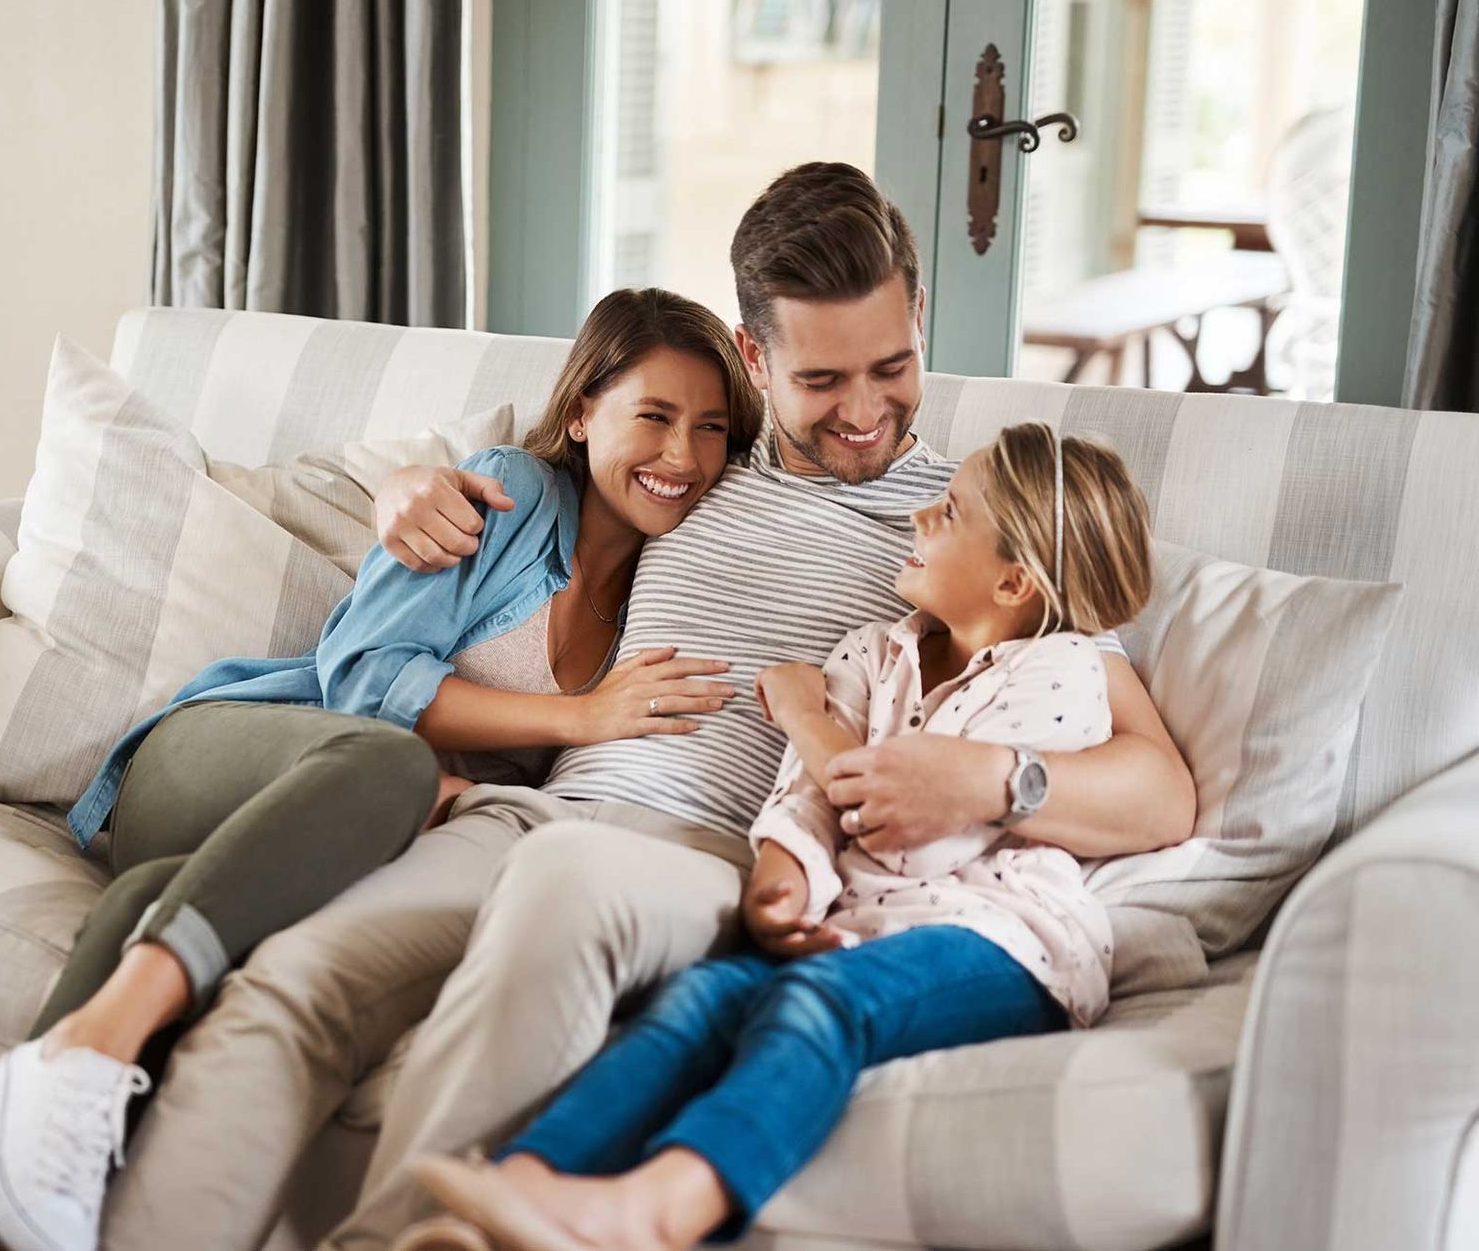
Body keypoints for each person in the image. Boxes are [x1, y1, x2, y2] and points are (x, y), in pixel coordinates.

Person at [91, 163, 1195, 1251]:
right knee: (291, 981)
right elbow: (522, 476)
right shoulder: (693, 462)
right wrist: (399, 489)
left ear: (920, 320)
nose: (864, 412)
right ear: (756, 361)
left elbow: (1155, 782)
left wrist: (1000, 779)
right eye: (820, 383)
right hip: (537, 816)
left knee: (565, 882)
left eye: (893, 366)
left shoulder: (972, 525)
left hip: (721, 852)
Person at [0, 286, 763, 1251]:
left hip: (334, 843)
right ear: (584, 410)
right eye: (657, 417)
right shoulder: (502, 495)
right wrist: (574, 717)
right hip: (235, 755)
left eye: (712, 429)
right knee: (389, 761)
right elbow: (363, 677)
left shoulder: (672, 582)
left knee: (160, 911)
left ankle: (16, 1191)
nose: (683, 456)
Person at [401, 423, 1153, 1251]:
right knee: (702, 999)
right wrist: (782, 874)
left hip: (1002, 942)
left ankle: (656, 1213)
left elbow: (911, 837)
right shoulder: (876, 650)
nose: (918, 517)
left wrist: (803, 713)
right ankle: (524, 1186)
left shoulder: (1060, 671)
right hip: (867, 924)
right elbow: (803, 795)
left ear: (1013, 581)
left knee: (814, 1004)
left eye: (949, 514)